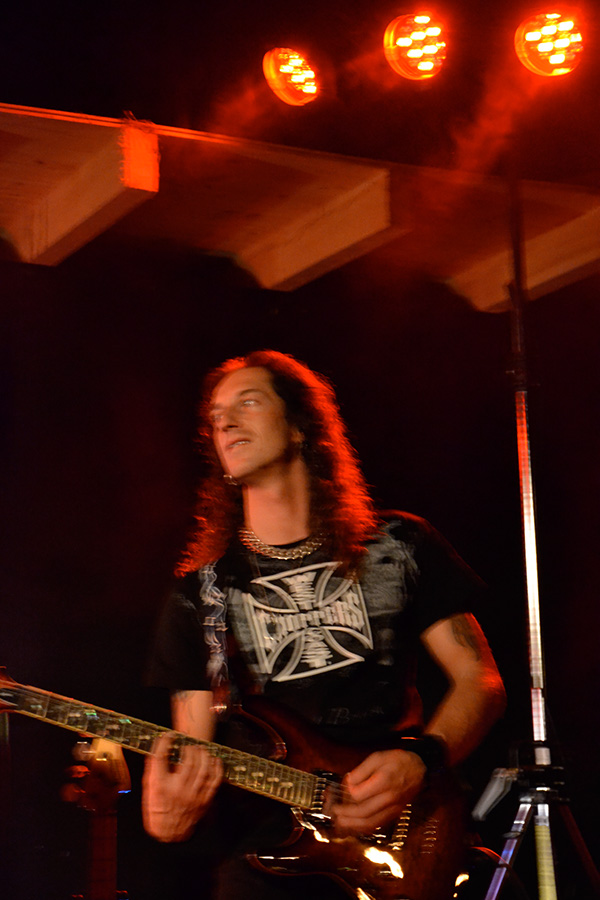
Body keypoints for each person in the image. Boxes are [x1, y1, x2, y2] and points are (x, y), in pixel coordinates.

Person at [142, 349, 506, 899]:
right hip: (268, 866)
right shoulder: (200, 596)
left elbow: (480, 681)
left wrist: (421, 760)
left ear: (300, 426)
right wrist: (171, 816)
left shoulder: (398, 547)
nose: (226, 423)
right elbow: (195, 751)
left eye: (248, 403)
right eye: (216, 416)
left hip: (411, 835)